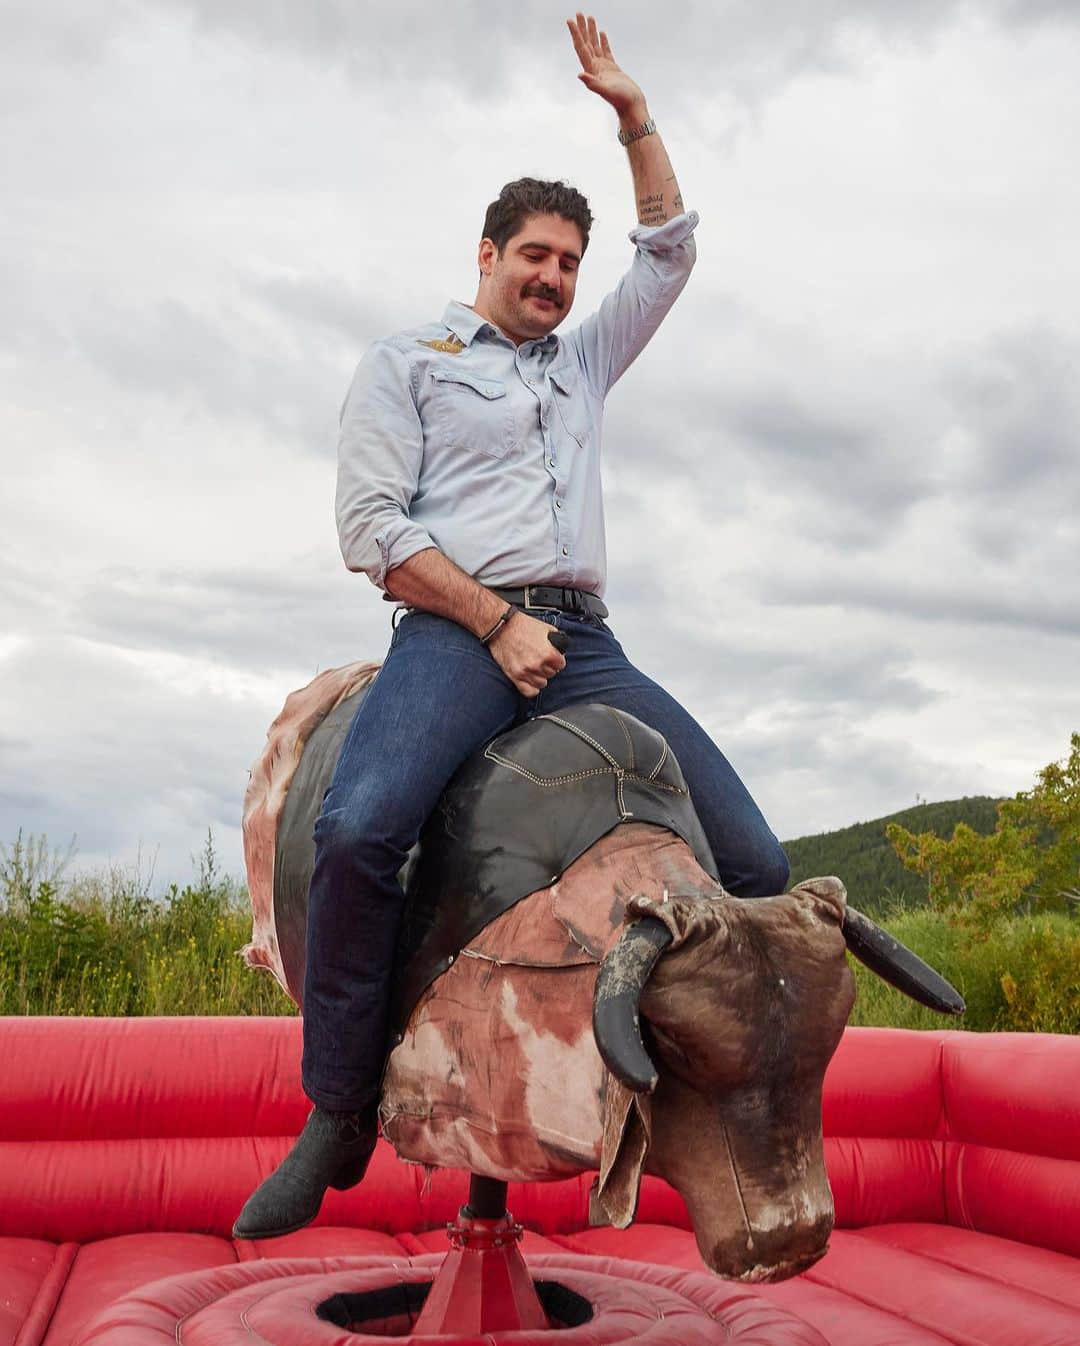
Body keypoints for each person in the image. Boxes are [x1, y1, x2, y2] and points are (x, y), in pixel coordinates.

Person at [233, 11, 788, 1240]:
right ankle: (335, 1109)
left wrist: (636, 118)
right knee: (359, 823)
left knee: (756, 868)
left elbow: (674, 253)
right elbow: (372, 530)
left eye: (569, 265)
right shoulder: (411, 361)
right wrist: (489, 623)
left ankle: (685, 1118)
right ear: (487, 252)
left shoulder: (580, 366)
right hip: (453, 634)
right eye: (534, 254)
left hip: (589, 641)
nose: (553, 278)